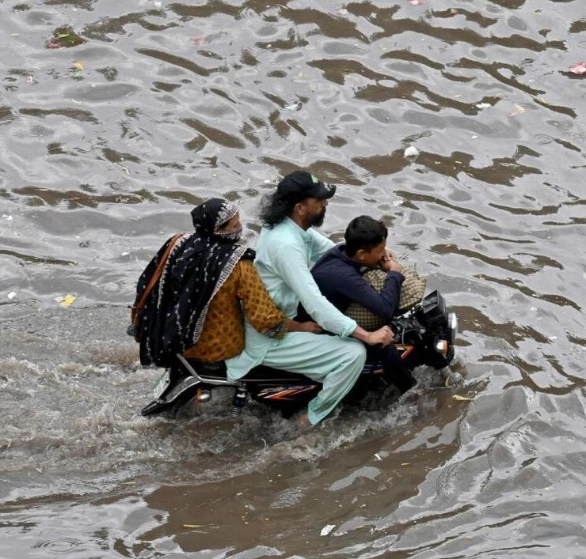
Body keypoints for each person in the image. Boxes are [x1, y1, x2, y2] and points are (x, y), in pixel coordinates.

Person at [225, 170, 395, 426]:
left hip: (285, 316)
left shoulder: (289, 226)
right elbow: (315, 303)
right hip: (269, 338)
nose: (325, 204)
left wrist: (374, 256)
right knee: (353, 354)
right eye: (320, 201)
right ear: (301, 207)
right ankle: (310, 417)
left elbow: (330, 250)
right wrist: (366, 335)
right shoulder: (286, 245)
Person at [159, 198, 312, 366]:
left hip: (175, 341)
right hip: (218, 348)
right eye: (235, 225)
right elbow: (265, 319)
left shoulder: (179, 245)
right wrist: (301, 327)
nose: (240, 229)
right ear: (217, 229)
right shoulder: (237, 264)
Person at [304, 215, 424, 395]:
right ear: (361, 254)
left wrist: (382, 253)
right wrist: (394, 273)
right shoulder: (343, 276)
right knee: (384, 346)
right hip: (319, 330)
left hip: (326, 314)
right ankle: (411, 395)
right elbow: (385, 308)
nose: (384, 254)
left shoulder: (340, 252)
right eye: (380, 250)